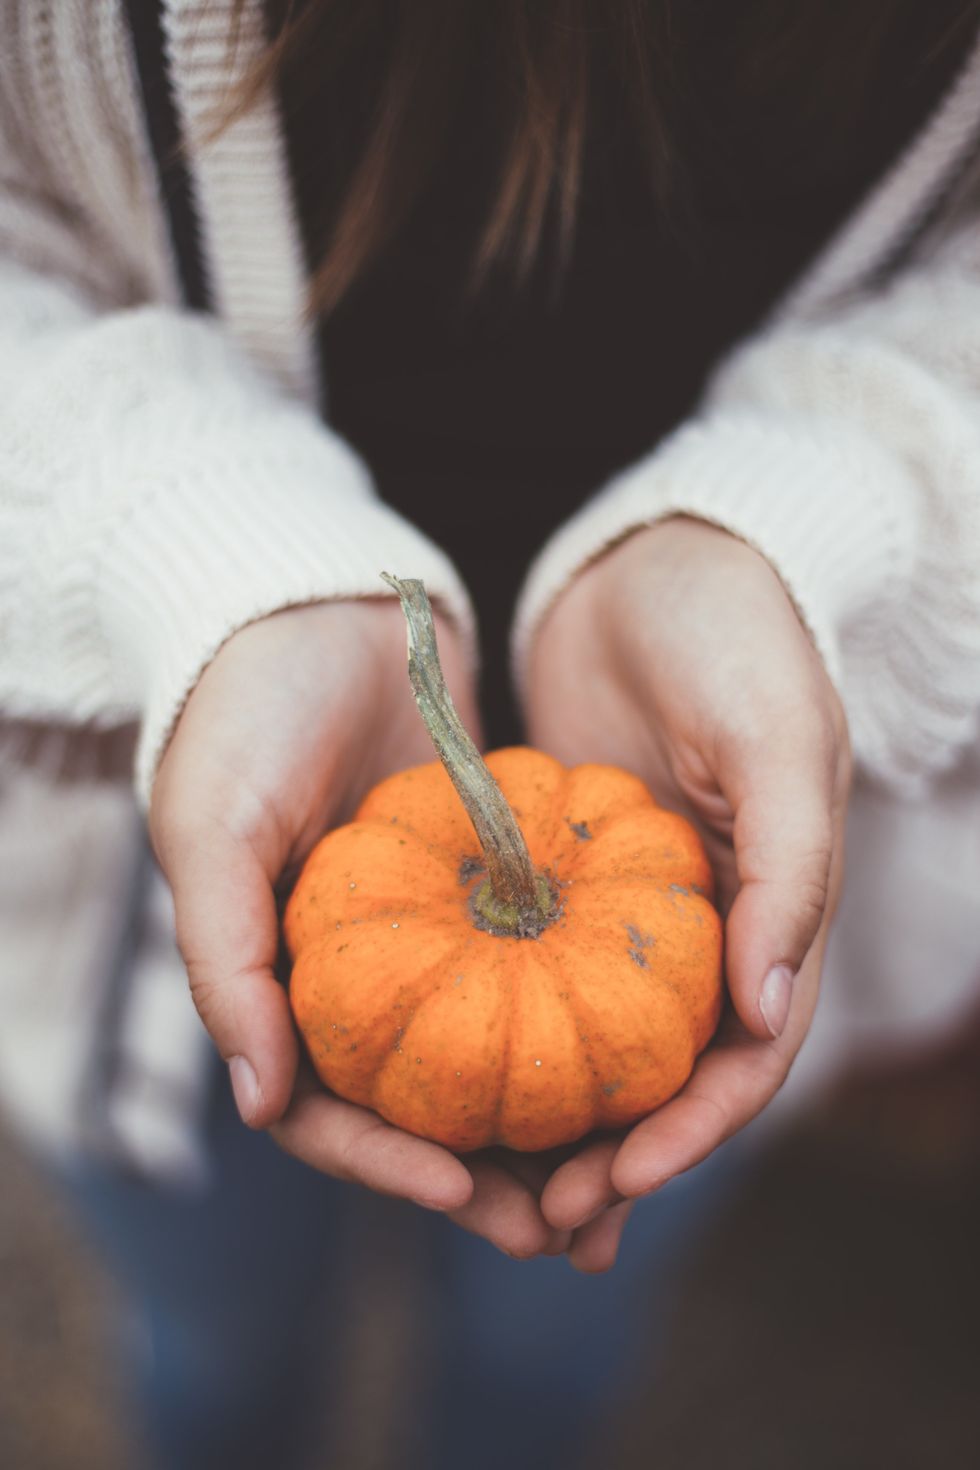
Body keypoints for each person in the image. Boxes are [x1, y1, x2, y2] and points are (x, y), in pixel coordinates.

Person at [2, 1, 980, 1465]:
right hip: (166, 828)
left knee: (544, 1352)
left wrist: (811, 518)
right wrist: (189, 545)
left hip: (708, 867)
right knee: (215, 1342)